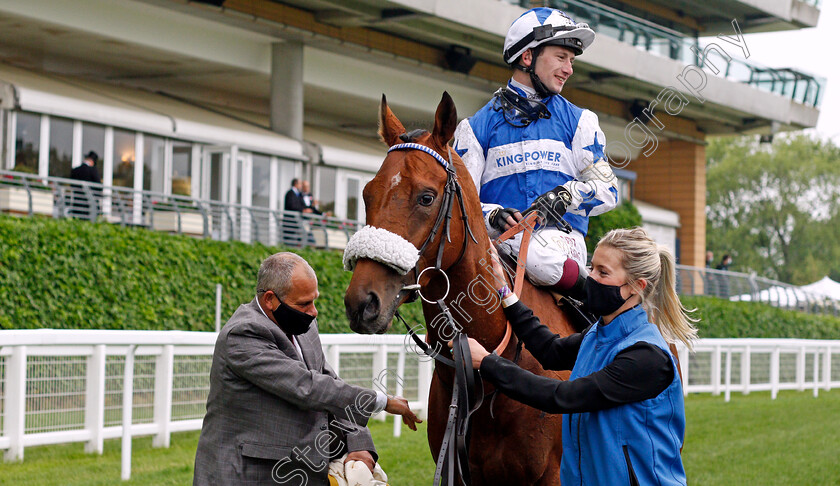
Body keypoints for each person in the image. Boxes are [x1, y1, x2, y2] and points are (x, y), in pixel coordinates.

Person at [461, 227, 697, 485]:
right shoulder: (597, 334)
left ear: (635, 287)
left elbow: (562, 397)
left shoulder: (646, 357)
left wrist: (487, 363)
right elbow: (550, 350)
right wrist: (506, 294)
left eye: (603, 272)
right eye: (591, 267)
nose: (590, 278)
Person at [193, 252, 420, 486]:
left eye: (314, 300)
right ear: (270, 299)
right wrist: (381, 401)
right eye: (304, 303)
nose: (314, 311)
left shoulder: (304, 324)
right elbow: (307, 387)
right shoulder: (242, 334)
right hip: (244, 475)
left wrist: (359, 444)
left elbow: (330, 383)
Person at [453, 7, 618, 295]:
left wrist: (565, 196)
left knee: (540, 258)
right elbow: (460, 202)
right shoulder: (473, 129)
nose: (569, 69)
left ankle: (594, 306)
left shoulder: (581, 121)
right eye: (561, 57)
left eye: (571, 60)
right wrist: (494, 216)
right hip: (498, 244)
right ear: (527, 57)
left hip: (559, 245)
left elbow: (609, 190)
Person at [69, 150, 102, 218]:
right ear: (93, 161)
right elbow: (99, 187)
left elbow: (72, 185)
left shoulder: (75, 170)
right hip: (89, 204)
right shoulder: (93, 171)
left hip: (77, 202)